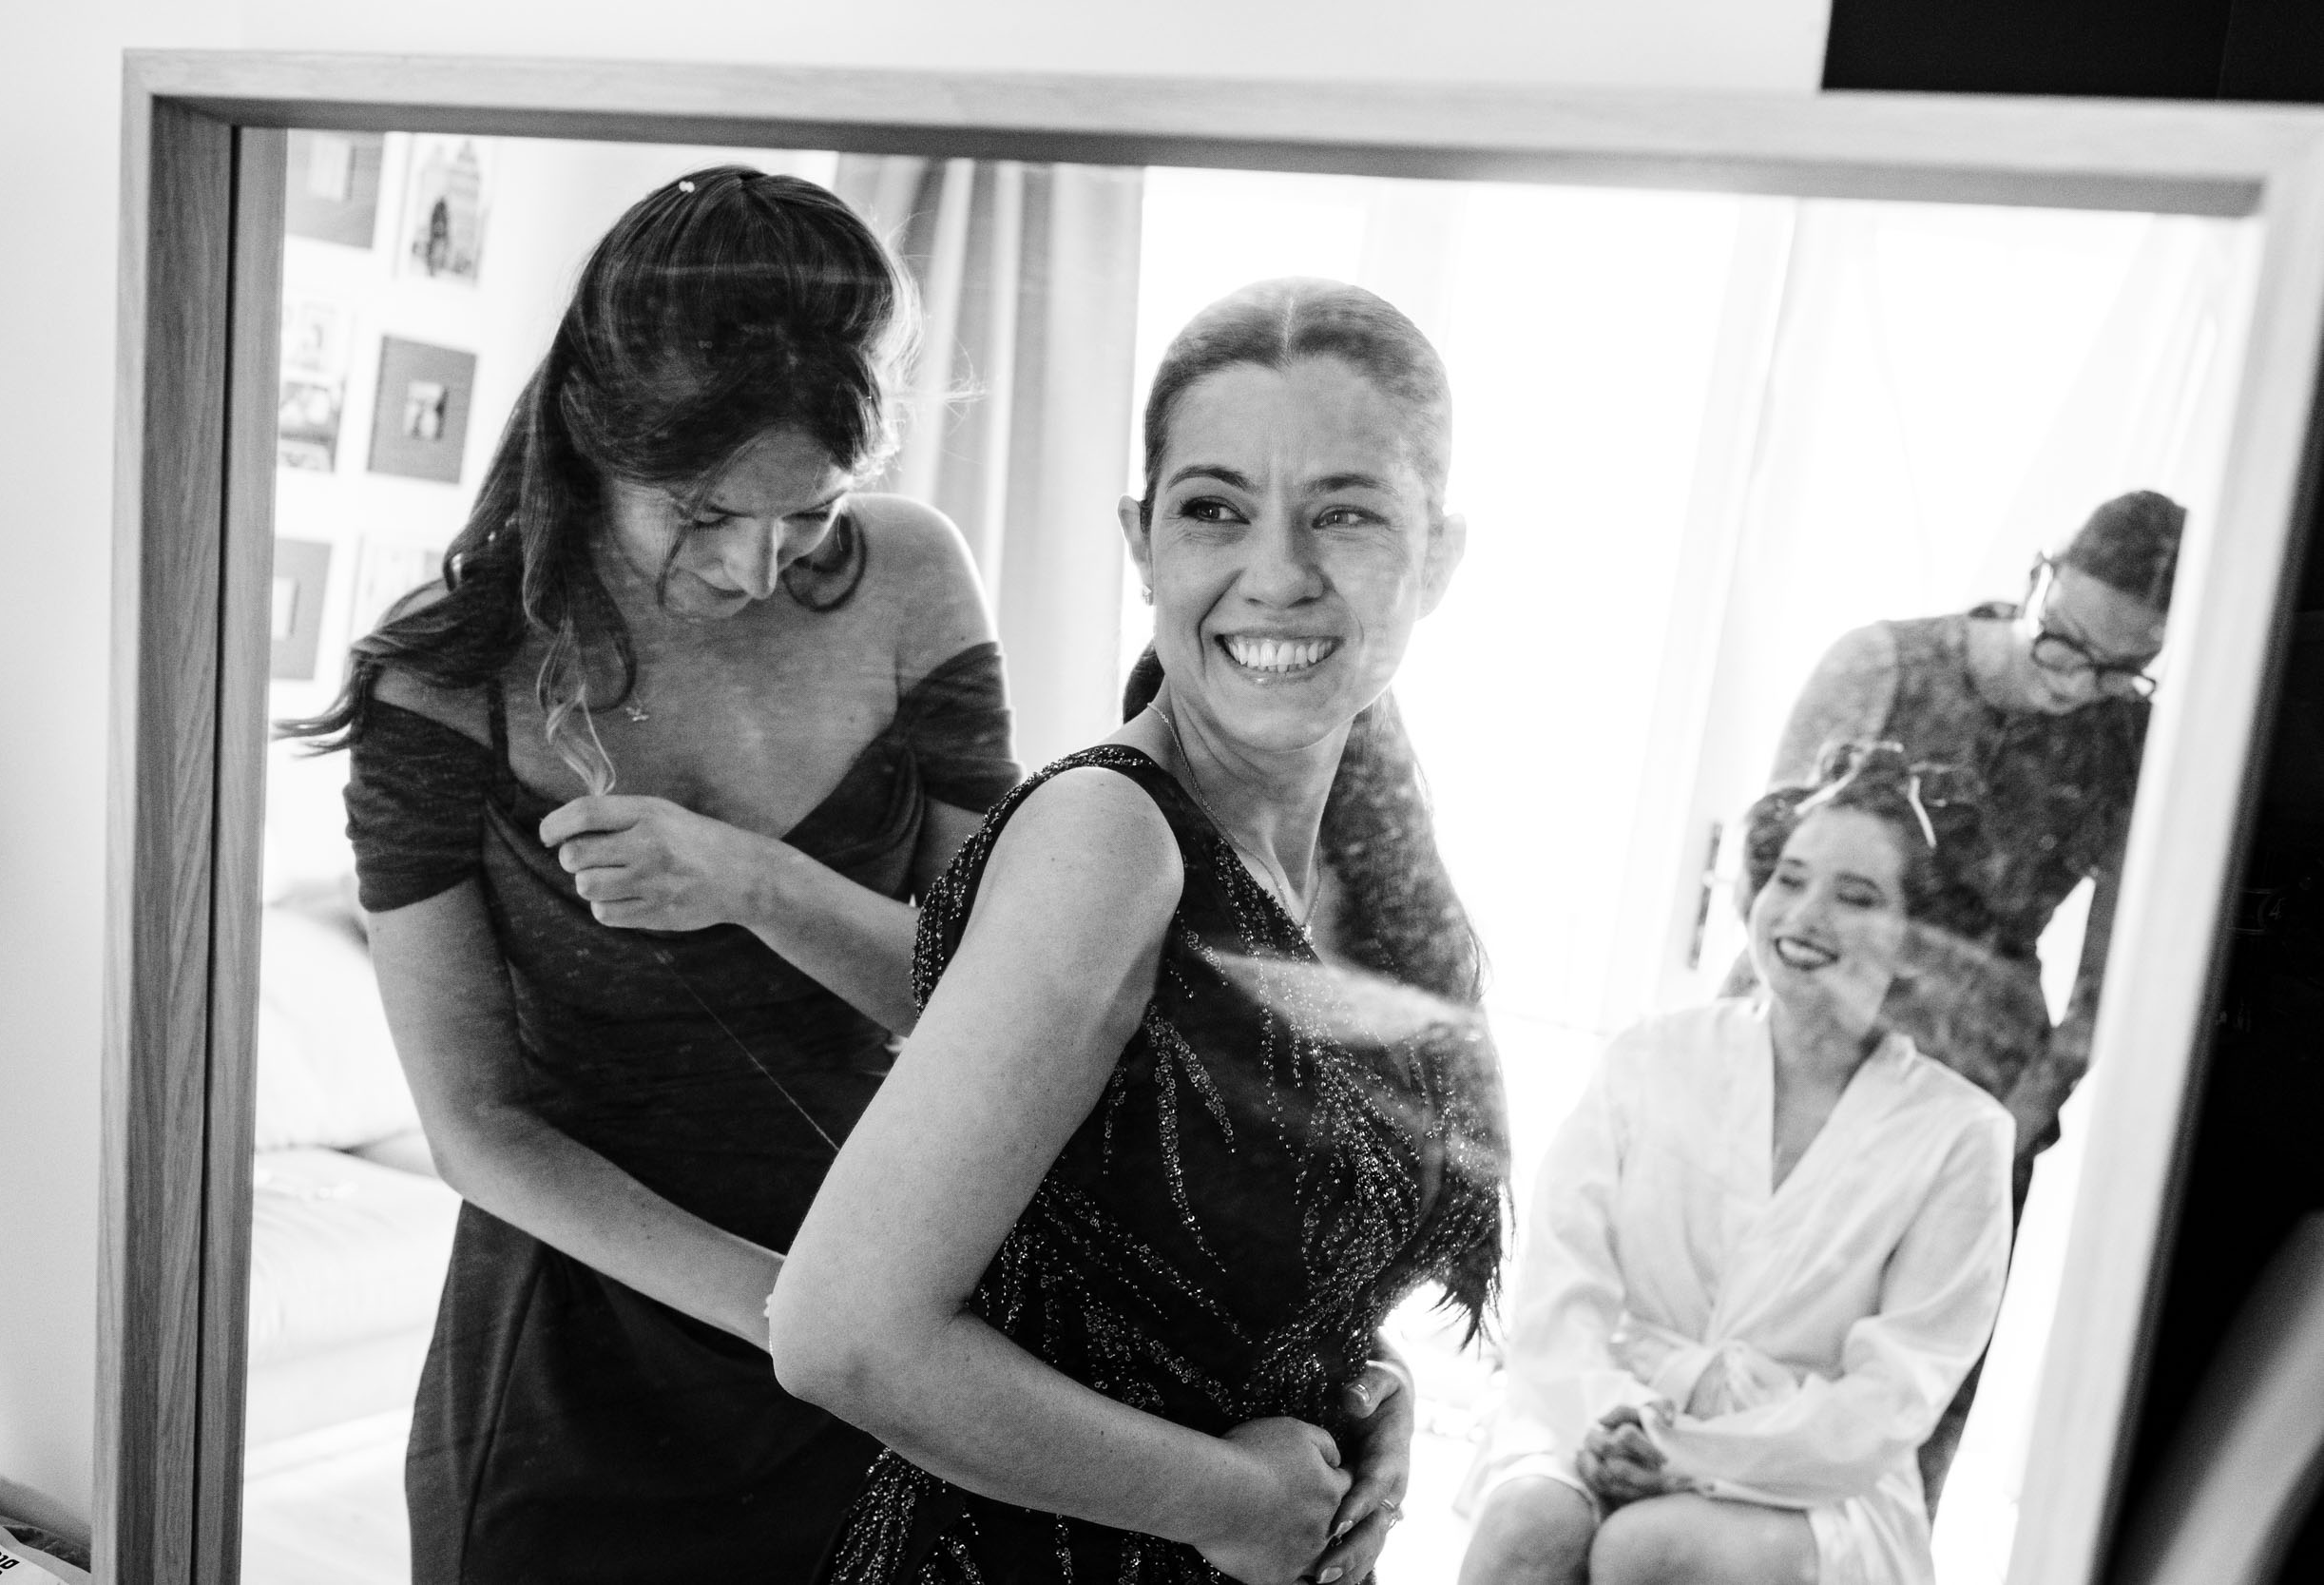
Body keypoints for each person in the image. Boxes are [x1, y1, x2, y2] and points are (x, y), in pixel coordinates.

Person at [280, 166, 1025, 1583]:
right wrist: (793, 1314)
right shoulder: (446, 679)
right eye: (700, 511)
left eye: (806, 511)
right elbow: (481, 1124)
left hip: (893, 1310)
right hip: (582, 1354)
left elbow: (986, 1011)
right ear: (595, 435)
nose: (756, 563)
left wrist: (755, 880)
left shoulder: (915, 581)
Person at [769, 279, 1510, 1585]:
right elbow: (844, 1333)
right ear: (1142, 538)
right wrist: (1232, 1495)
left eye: (1344, 511)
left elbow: (1193, 1269)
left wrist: (1366, 1387)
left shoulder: (1372, 857)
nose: (1274, 572)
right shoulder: (1109, 839)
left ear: (1438, 558)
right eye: (1214, 508)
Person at [1458, 744, 2015, 1585]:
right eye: (1789, 878)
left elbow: (1892, 1398)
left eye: (1855, 896)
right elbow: (1558, 1289)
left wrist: (1699, 1458)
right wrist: (1621, 1423)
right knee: (1528, 1520)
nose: (1804, 913)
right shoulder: (1651, 1057)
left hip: (1817, 1480)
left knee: (1655, 1550)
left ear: (1918, 946)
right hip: (1603, 1413)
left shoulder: (1961, 1134)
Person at [1766, 490, 2182, 1169]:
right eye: (2062, 641)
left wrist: (2014, 1126)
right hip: (1809, 1035)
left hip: (1980, 1080)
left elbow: (2106, 980)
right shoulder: (1881, 665)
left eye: (2117, 670)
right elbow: (1769, 874)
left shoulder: (2131, 744)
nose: (2077, 684)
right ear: (2036, 578)